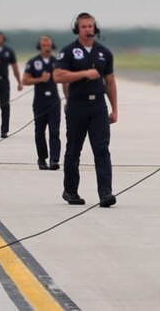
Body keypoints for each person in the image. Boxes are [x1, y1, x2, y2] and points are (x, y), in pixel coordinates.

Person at [53, 12, 117, 207]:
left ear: (95, 28)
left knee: (102, 149)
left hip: (98, 105)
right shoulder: (69, 51)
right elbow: (58, 75)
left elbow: (110, 81)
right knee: (73, 149)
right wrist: (83, 74)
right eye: (84, 27)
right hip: (77, 105)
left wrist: (114, 109)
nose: (88, 30)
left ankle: (105, 193)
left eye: (90, 26)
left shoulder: (104, 52)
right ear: (77, 29)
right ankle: (70, 191)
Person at [22, 35, 61, 169]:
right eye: (43, 45)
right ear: (40, 46)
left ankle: (54, 159)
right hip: (40, 101)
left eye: (48, 45)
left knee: (54, 131)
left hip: (54, 100)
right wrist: (40, 79)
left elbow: (65, 78)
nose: (46, 48)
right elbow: (25, 80)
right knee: (40, 131)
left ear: (52, 46)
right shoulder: (33, 62)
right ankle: (42, 158)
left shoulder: (57, 62)